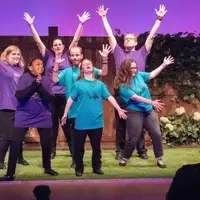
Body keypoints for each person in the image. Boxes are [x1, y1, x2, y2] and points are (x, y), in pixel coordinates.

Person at [97, 4, 168, 160]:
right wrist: (103, 17)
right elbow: (110, 35)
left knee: (141, 122)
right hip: (122, 91)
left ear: (135, 43)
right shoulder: (118, 52)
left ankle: (141, 150)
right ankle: (120, 151)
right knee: (121, 122)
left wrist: (159, 18)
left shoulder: (142, 52)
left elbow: (151, 36)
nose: (127, 40)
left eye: (131, 39)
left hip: (139, 91)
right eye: (126, 39)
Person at [24, 11, 90, 159]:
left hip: (66, 97)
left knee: (68, 126)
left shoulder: (68, 56)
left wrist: (81, 23)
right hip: (51, 97)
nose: (58, 46)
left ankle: (74, 153)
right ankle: (52, 151)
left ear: (63, 46)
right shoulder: (48, 56)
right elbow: (38, 41)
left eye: (60, 44)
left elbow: (76, 39)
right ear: (52, 47)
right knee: (51, 125)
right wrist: (31, 25)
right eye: (55, 45)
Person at [61, 58, 127, 177]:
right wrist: (65, 114)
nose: (87, 65)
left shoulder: (100, 85)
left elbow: (110, 97)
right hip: (81, 122)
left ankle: (96, 167)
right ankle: (79, 168)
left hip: (97, 122)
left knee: (96, 148)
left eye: (89, 64)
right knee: (79, 148)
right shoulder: (78, 84)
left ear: (92, 68)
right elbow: (70, 100)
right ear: (81, 69)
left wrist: (118, 108)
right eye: (85, 64)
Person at [52, 44, 112, 168]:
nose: (75, 57)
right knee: (76, 140)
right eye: (72, 55)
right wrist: (57, 64)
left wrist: (105, 59)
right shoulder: (67, 72)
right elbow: (54, 79)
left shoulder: (88, 69)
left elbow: (104, 72)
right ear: (69, 57)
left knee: (95, 142)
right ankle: (76, 161)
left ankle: (96, 165)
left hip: (90, 112)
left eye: (77, 55)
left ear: (81, 56)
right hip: (74, 112)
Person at [0, 58, 58, 181]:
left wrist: (40, 86)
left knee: (46, 143)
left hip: (42, 114)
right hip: (24, 114)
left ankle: (47, 167)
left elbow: (50, 99)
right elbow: (20, 96)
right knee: (15, 143)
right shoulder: (24, 77)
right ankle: (10, 173)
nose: (41, 67)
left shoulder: (46, 79)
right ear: (30, 67)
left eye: (42, 65)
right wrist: (34, 85)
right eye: (37, 64)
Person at [114, 56, 174, 168]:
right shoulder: (122, 85)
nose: (134, 70)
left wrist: (163, 64)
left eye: (135, 68)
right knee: (134, 137)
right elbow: (135, 97)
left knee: (156, 134)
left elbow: (151, 74)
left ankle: (159, 159)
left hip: (147, 111)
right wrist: (151, 102)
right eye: (131, 68)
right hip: (134, 111)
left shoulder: (139, 76)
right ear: (125, 69)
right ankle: (125, 158)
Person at [0, 45, 29, 170]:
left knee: (19, 135)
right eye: (13, 54)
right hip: (5, 106)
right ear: (6, 55)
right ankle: (0, 160)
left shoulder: (21, 70)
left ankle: (19, 158)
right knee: (7, 136)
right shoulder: (2, 66)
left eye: (18, 54)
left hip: (20, 106)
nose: (17, 56)